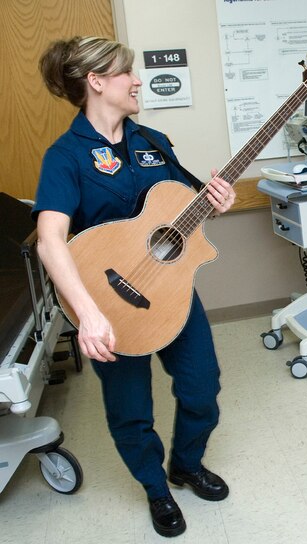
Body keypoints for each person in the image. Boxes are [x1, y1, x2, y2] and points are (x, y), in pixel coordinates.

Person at [34, 36, 235, 538]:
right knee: (131, 410)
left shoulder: (153, 143)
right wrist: (88, 315)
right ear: (96, 82)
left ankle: (185, 465)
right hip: (106, 304)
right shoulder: (65, 157)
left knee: (202, 388)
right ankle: (155, 489)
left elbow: (184, 207)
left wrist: (217, 198)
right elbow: (50, 241)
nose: (138, 80)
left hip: (170, 293)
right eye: (126, 73)